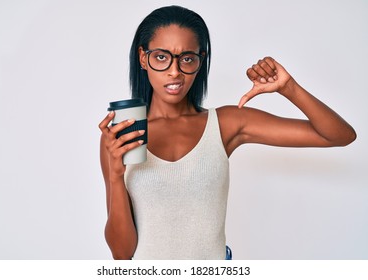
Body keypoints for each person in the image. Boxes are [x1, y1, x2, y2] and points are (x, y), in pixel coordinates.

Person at [98, 5, 356, 260]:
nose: (174, 71)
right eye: (162, 57)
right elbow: (122, 254)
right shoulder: (121, 136)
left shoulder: (226, 123)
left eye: (187, 58)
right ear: (144, 58)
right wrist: (116, 175)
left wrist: (289, 88)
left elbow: (339, 135)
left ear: (201, 59)